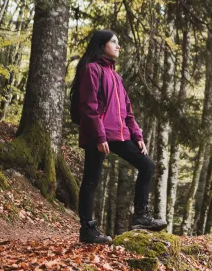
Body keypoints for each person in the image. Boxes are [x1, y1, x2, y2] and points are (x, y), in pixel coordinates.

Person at [69, 30, 167, 244]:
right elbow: (88, 106)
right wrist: (98, 136)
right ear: (101, 45)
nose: (118, 46)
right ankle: (87, 230)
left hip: (118, 134)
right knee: (91, 180)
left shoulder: (116, 76)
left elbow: (127, 111)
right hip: (98, 134)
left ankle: (141, 216)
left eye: (118, 42)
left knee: (147, 165)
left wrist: (137, 135)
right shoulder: (91, 69)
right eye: (113, 42)